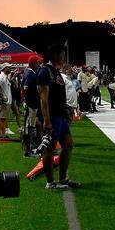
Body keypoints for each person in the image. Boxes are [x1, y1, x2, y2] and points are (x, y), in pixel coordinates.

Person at [33, 44, 80, 190]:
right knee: (50, 149)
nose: (64, 58)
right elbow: (43, 99)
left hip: (61, 115)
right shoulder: (45, 72)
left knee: (68, 145)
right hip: (52, 117)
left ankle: (63, 179)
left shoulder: (56, 72)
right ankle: (50, 182)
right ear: (55, 55)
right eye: (62, 55)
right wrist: (46, 121)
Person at [20, 56, 42, 157]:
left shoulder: (28, 72)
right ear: (33, 63)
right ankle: (28, 151)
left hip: (32, 104)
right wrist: (28, 102)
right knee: (29, 127)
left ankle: (30, 149)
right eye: (38, 62)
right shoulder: (30, 73)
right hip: (31, 105)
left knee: (31, 126)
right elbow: (25, 88)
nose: (39, 64)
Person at [0, 64, 16, 139]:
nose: (10, 68)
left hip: (6, 102)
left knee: (3, 119)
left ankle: (3, 135)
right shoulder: (1, 77)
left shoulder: (5, 77)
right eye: (8, 67)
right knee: (1, 118)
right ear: (4, 68)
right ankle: (0, 135)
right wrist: (2, 97)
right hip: (4, 102)